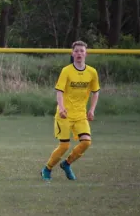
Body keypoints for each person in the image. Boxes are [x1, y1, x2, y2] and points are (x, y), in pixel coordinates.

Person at [41, 40, 100, 181]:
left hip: (80, 115)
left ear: (86, 53)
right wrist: (61, 108)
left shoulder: (92, 72)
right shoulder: (66, 71)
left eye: (82, 51)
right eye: (76, 51)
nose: (79, 53)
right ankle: (47, 169)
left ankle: (66, 164)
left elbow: (95, 92)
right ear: (72, 53)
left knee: (86, 142)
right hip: (65, 114)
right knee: (64, 146)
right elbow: (59, 91)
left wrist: (91, 110)